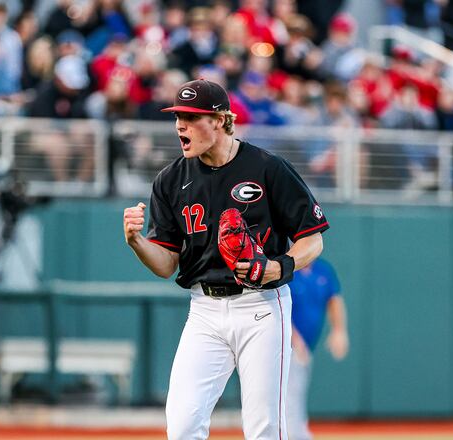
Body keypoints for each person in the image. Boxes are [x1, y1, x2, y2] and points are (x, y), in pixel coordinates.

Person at [122, 79, 329, 440]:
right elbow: (166, 264)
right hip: (204, 310)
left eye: (190, 117)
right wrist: (137, 241)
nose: (179, 125)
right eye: (177, 117)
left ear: (219, 119)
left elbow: (312, 240)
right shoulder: (170, 180)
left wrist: (279, 266)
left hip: (262, 305)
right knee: (183, 424)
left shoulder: (267, 168)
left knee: (265, 428)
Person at [286, 258, 349, 440]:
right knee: (289, 397)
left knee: (296, 392)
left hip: (305, 349)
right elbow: (278, 308)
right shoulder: (287, 269)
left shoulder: (323, 270)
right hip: (284, 347)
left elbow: (334, 300)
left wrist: (339, 331)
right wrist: (295, 342)